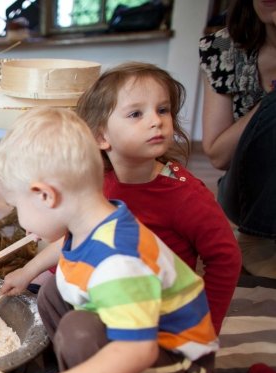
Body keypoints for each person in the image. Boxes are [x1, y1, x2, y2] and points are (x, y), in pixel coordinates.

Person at [0, 107, 217, 373]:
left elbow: (135, 353)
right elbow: (64, 248)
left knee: (79, 333)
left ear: (45, 195)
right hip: (142, 338)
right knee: (50, 291)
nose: (20, 219)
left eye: (16, 206)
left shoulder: (118, 260)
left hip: (177, 363)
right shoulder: (93, 218)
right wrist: (28, 271)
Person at [73, 62, 240, 334]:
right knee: (49, 298)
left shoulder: (186, 196)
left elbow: (226, 259)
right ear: (102, 137)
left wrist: (205, 324)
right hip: (116, 295)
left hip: (160, 314)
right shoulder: (100, 182)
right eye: (136, 113)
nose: (156, 120)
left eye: (163, 110)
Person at [199, 0, 276, 278]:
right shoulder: (223, 49)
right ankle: (259, 243)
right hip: (248, 196)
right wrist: (267, 104)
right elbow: (218, 155)